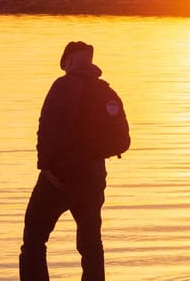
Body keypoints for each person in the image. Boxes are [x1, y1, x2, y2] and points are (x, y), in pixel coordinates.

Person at [20, 41, 127, 281]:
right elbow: (123, 141)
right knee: (91, 244)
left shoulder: (62, 86)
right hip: (94, 178)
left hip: (59, 177)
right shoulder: (107, 92)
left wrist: (45, 166)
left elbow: (45, 128)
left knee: (34, 239)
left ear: (68, 62)